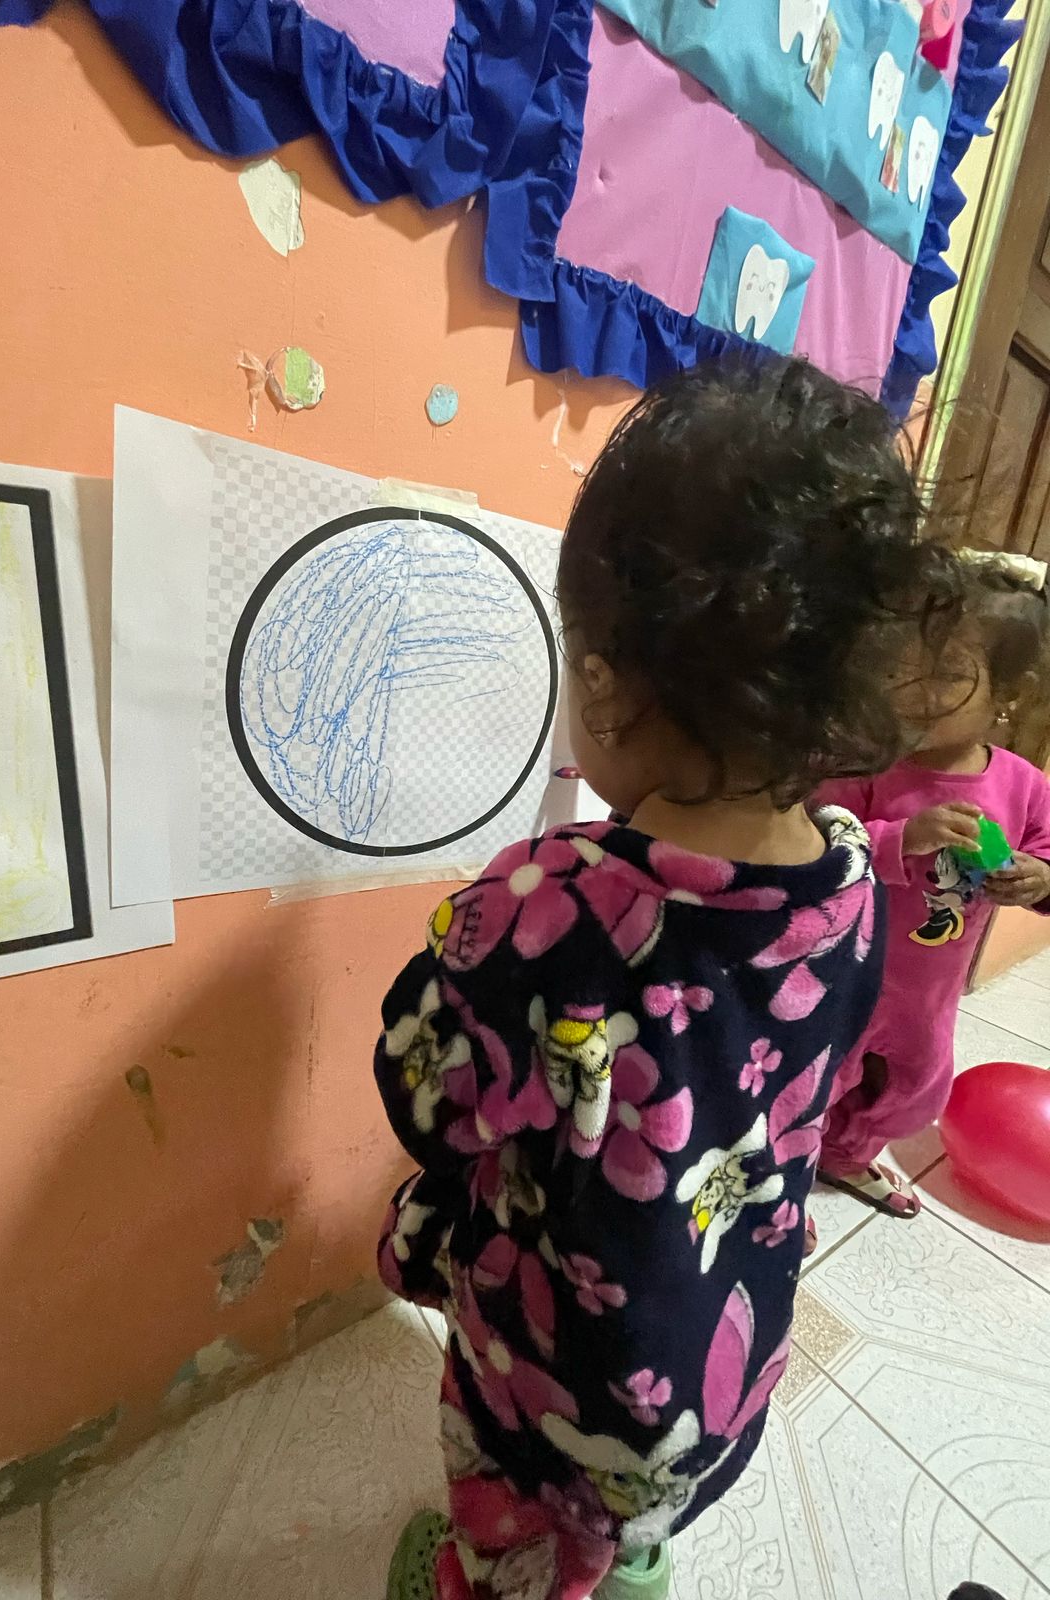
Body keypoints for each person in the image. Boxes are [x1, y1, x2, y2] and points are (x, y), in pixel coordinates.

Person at [373, 358, 962, 1600]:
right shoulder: (854, 878)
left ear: (604, 681)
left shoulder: (548, 906)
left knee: (511, 1504)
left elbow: (426, 1096)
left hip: (555, 1374)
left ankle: (502, 1575)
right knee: (626, 1503)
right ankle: (620, 1563)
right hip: (719, 1369)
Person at [818, 561, 1050, 1217]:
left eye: (946, 673)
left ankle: (846, 1157)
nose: (916, 691)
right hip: (846, 978)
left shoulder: (1024, 784)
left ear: (1008, 692)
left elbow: (1044, 853)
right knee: (813, 1084)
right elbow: (817, 843)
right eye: (903, 668)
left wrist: (1037, 876)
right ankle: (783, 1177)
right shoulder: (867, 767)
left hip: (930, 993)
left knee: (915, 1093)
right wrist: (901, 838)